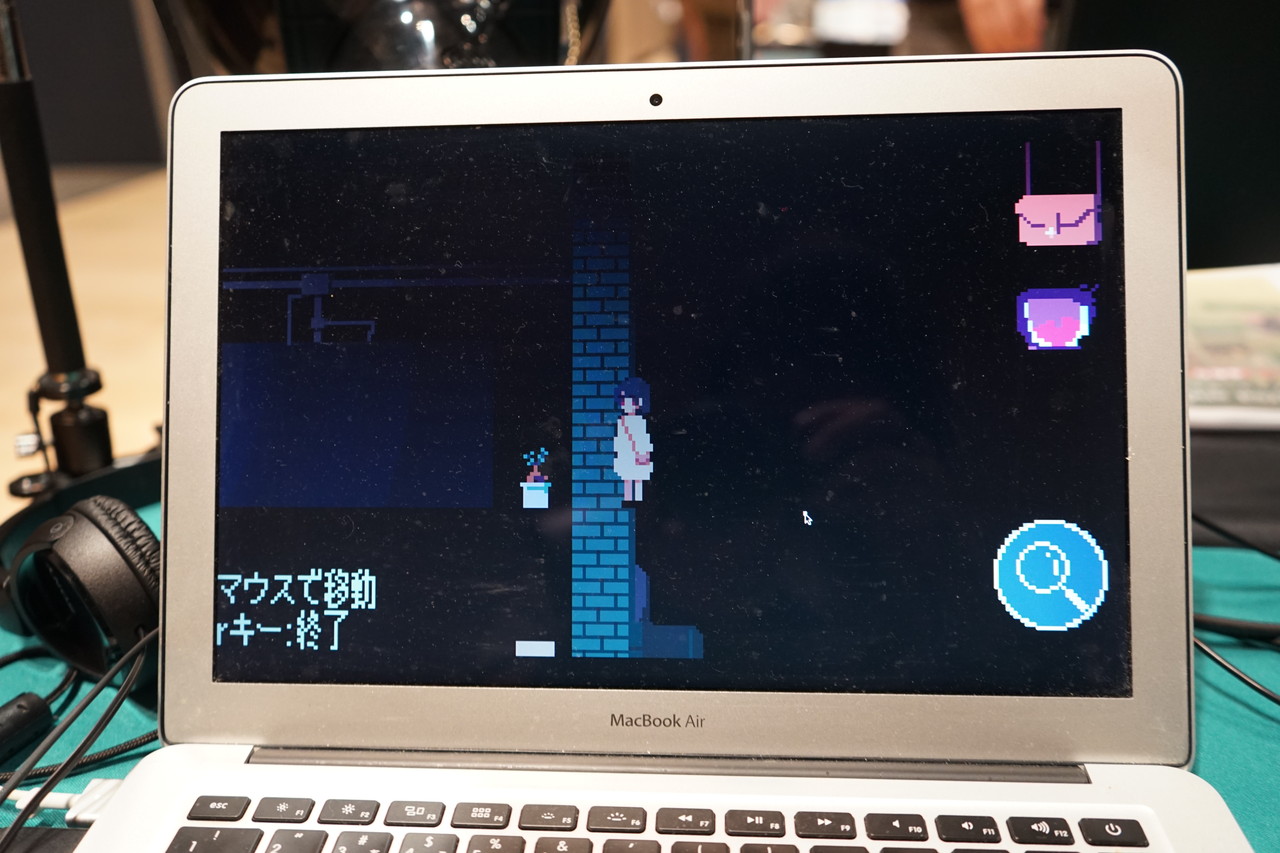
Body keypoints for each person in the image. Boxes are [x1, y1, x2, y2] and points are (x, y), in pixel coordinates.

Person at [613, 377, 654, 502]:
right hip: (626, 456)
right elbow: (619, 440)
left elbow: (644, 439)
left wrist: (644, 453)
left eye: (630, 401)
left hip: (639, 455)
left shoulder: (640, 422)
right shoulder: (622, 422)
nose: (626, 405)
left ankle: (636, 500)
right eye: (624, 401)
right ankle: (629, 500)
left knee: (638, 480)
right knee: (627, 480)